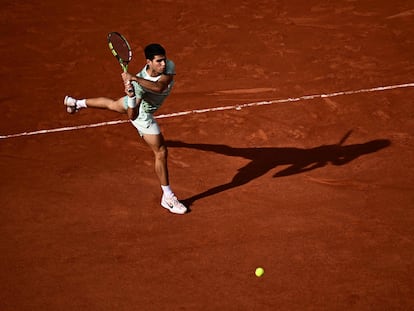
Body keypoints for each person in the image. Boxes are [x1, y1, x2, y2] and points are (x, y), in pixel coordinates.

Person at [63, 43, 187, 215]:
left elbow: (160, 86)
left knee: (113, 104)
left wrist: (134, 80)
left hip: (139, 92)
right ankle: (167, 197)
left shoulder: (167, 67)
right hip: (142, 112)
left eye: (164, 60)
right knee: (161, 152)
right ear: (148, 62)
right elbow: (132, 115)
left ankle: (75, 103)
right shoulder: (137, 86)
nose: (164, 65)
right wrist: (131, 95)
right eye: (158, 62)